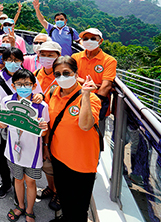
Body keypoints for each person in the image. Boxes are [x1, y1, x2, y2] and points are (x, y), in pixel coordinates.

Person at [45, 56, 101, 222]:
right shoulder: (53, 93)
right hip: (58, 155)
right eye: (58, 74)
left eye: (66, 73)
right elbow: (49, 123)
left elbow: (85, 125)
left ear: (76, 73)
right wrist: (46, 145)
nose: (62, 77)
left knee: (79, 206)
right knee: (63, 195)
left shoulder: (91, 98)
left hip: (81, 163)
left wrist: (84, 95)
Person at [0, 69, 49, 222]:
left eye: (27, 84)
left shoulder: (41, 106)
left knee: (30, 182)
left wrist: (43, 129)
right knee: (18, 179)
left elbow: (43, 133)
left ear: (34, 85)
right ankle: (20, 206)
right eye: (19, 84)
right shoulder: (6, 101)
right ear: (13, 85)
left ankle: (30, 210)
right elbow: (3, 125)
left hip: (33, 152)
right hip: (13, 150)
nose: (23, 87)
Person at [33, 41, 62, 211]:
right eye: (43, 54)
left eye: (51, 55)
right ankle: (51, 188)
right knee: (45, 161)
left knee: (55, 159)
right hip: (40, 125)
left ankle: (59, 192)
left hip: (57, 126)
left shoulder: (62, 77)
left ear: (58, 56)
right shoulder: (36, 74)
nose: (46, 58)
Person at [72, 28, 117, 134]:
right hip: (76, 101)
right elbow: (73, 78)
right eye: (86, 39)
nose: (89, 41)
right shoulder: (75, 57)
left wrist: (94, 104)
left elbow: (106, 86)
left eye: (93, 38)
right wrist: (95, 85)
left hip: (98, 104)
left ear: (100, 41)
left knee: (96, 135)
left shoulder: (109, 60)